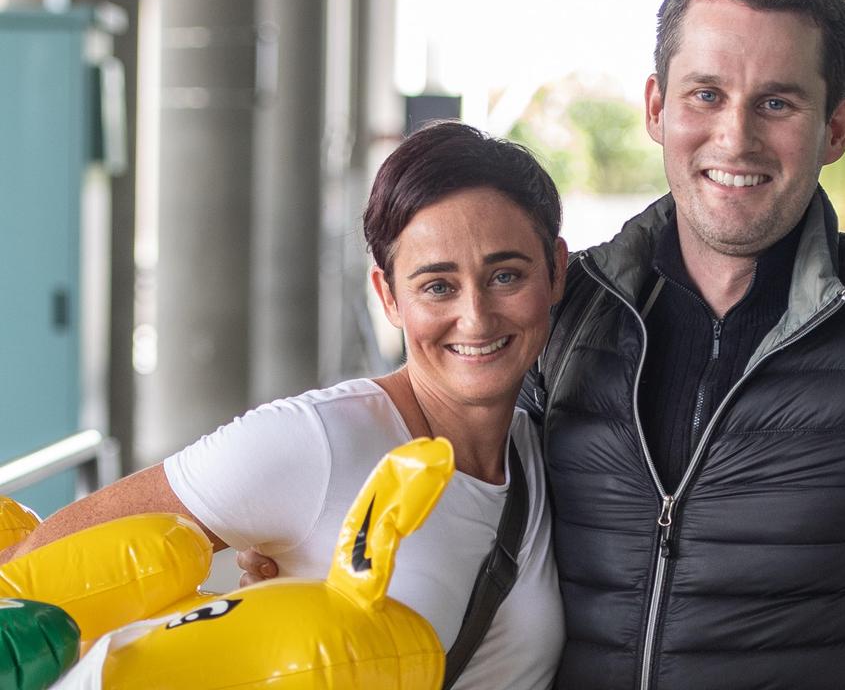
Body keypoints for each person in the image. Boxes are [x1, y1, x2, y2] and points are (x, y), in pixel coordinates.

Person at [240, 0, 845, 689]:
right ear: (657, 107)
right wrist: (306, 558)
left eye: (777, 102)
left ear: (834, 130)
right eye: (706, 95)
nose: (734, 136)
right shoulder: (556, 311)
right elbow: (452, 484)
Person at [0, 121, 568, 690]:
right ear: (388, 296)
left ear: (557, 271)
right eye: (438, 286)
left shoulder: (544, 455)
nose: (475, 317)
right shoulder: (316, 440)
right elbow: (26, 578)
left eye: (505, 275)